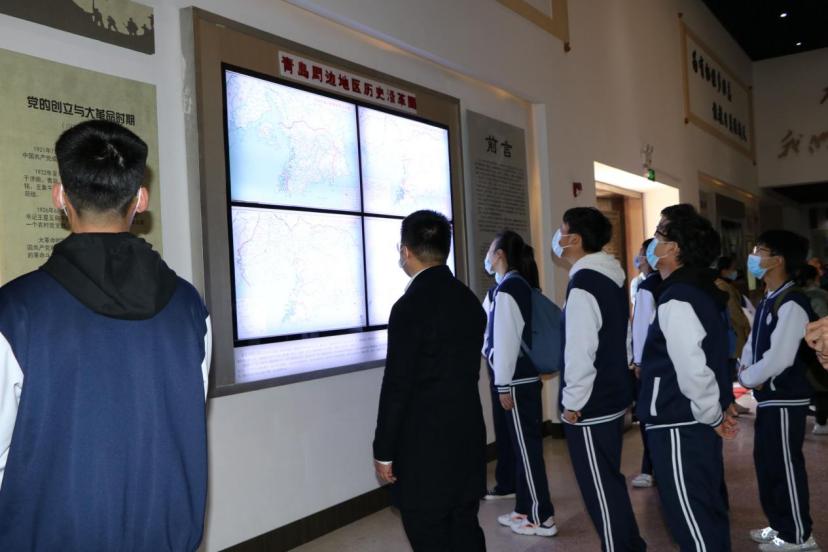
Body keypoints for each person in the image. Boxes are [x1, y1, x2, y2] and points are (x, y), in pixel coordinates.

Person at [0, 121, 211, 550]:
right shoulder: (190, 307)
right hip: (164, 535)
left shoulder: (16, 310)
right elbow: (187, 413)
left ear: (60, 196)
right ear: (141, 199)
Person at [373, 210, 487, 552]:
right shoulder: (469, 301)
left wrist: (384, 450)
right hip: (467, 436)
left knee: (428, 533)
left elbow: (397, 385)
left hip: (423, 448)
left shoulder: (408, 307)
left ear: (405, 251)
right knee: (465, 529)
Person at [636, 204, 738, 552]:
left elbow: (693, 367)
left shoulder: (677, 297)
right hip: (691, 419)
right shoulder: (697, 289)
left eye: (659, 236)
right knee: (705, 510)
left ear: (674, 248)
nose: (653, 242)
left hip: (679, 421)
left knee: (692, 519)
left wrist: (711, 413)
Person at [554, 207, 646, 552]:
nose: (558, 237)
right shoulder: (612, 275)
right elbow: (624, 334)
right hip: (612, 391)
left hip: (591, 403)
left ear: (575, 240)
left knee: (600, 487)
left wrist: (572, 402)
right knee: (608, 478)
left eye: (563, 231)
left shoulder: (583, 284)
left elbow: (580, 350)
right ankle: (631, 544)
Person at [739, 230, 819, 551]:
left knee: (784, 465)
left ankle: (798, 536)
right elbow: (752, 342)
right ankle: (780, 524)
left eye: (760, 250)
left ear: (778, 260)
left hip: (786, 398)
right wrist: (745, 372)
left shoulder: (792, 302)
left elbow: (781, 357)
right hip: (770, 398)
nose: (754, 256)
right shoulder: (769, 298)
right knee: (768, 464)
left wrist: (749, 378)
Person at [482, 231, 556, 537]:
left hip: (516, 382)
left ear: (500, 254)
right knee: (525, 448)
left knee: (527, 451)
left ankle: (542, 516)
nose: (488, 256)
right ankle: (524, 509)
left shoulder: (509, 289)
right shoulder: (516, 285)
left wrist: (502, 385)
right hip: (523, 380)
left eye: (490, 250)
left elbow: (506, 341)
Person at [629, 238, 661, 489]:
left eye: (642, 253)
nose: (638, 258)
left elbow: (640, 328)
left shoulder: (648, 286)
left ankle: (649, 469)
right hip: (666, 360)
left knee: (648, 415)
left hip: (650, 362)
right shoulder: (670, 281)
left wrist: (638, 362)